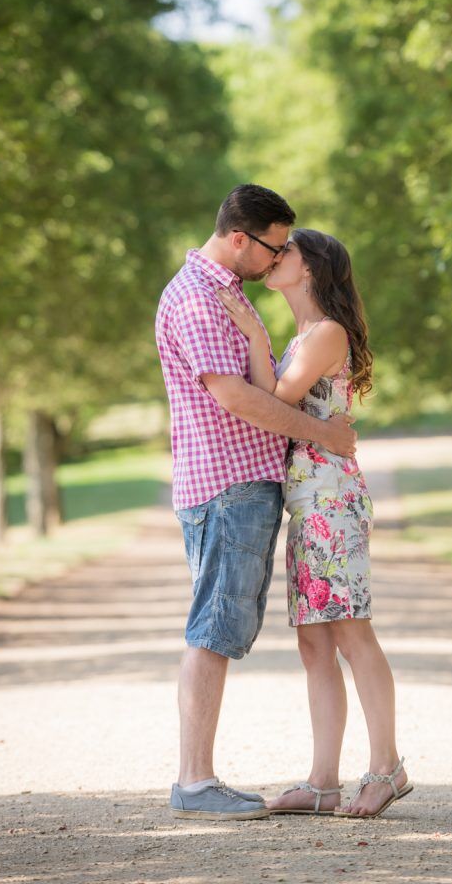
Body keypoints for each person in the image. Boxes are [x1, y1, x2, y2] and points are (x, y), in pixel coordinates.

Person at [155, 186, 357, 821]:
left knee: (220, 625)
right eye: (272, 246)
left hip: (237, 485)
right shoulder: (197, 297)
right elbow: (237, 398)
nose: (277, 259)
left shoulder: (226, 291)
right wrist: (328, 435)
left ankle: (198, 777)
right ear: (240, 237)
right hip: (227, 485)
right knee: (214, 627)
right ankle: (195, 781)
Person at [217, 228, 412, 819]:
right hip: (308, 499)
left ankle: (387, 768)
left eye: (287, 252)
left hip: (329, 498)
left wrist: (252, 332)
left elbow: (274, 397)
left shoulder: (325, 332)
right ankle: (323, 783)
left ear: (310, 269)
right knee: (314, 643)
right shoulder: (306, 335)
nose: (276, 259)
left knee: (352, 631)